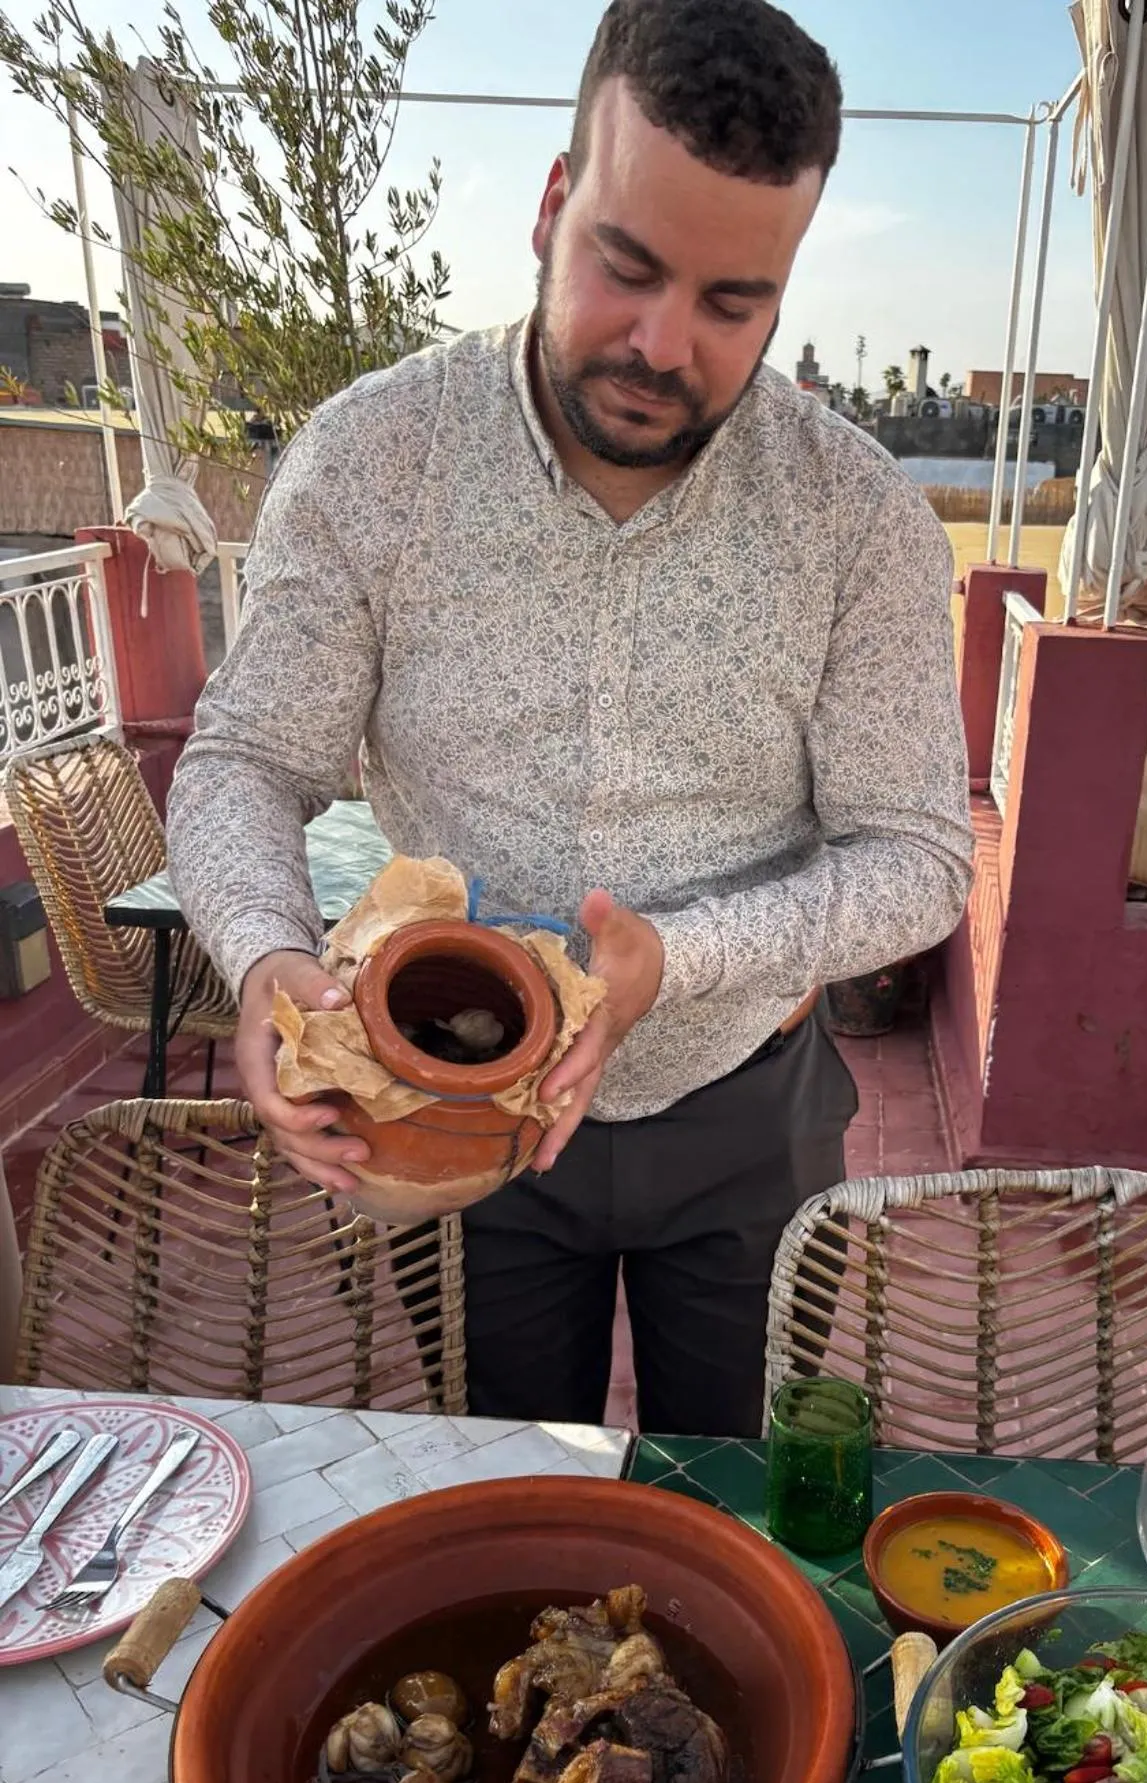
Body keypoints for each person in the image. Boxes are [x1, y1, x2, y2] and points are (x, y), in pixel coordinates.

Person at [167, 0, 973, 1436]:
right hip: (441, 1103)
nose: (663, 345)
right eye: (628, 265)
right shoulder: (375, 456)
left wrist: (685, 960)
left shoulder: (860, 520)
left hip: (746, 1112)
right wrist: (260, 957)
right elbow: (247, 759)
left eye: (734, 303)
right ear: (553, 208)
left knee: (724, 1509)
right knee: (502, 1480)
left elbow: (916, 858)